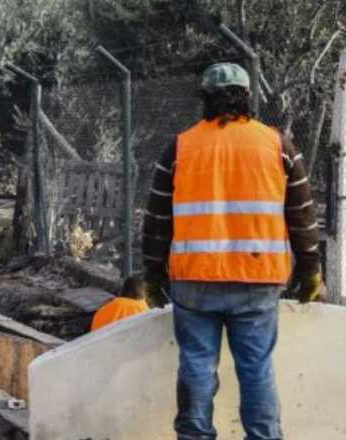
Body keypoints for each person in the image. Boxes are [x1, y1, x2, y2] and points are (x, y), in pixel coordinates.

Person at [141, 62, 324, 440]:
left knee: (196, 363)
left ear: (204, 100)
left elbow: (157, 219)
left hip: (194, 280)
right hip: (257, 282)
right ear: (247, 97)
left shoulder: (180, 147)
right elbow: (303, 217)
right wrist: (310, 272)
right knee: (256, 367)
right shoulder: (278, 145)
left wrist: (153, 275)